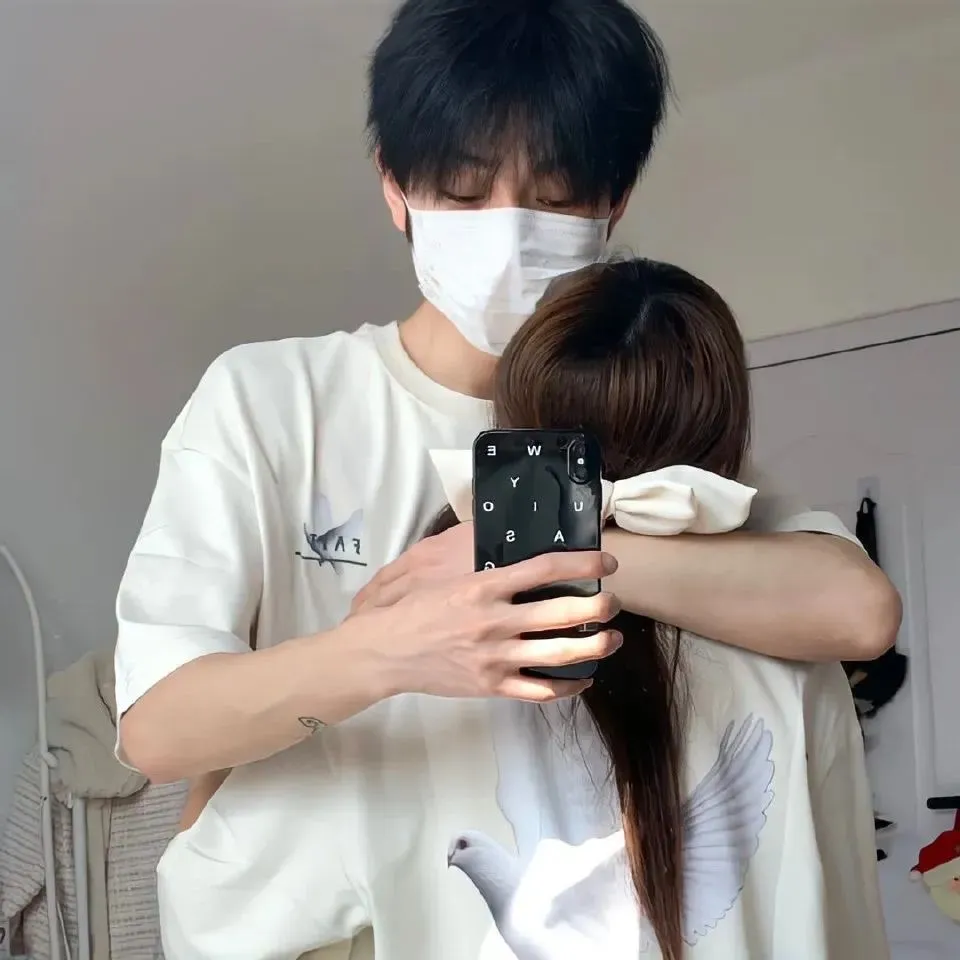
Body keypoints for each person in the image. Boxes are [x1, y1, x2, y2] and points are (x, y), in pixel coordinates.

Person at [155, 257, 889, 959]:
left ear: (512, 437)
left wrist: (226, 756)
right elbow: (843, 917)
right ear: (728, 447)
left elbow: (206, 916)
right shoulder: (805, 672)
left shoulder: (425, 688)